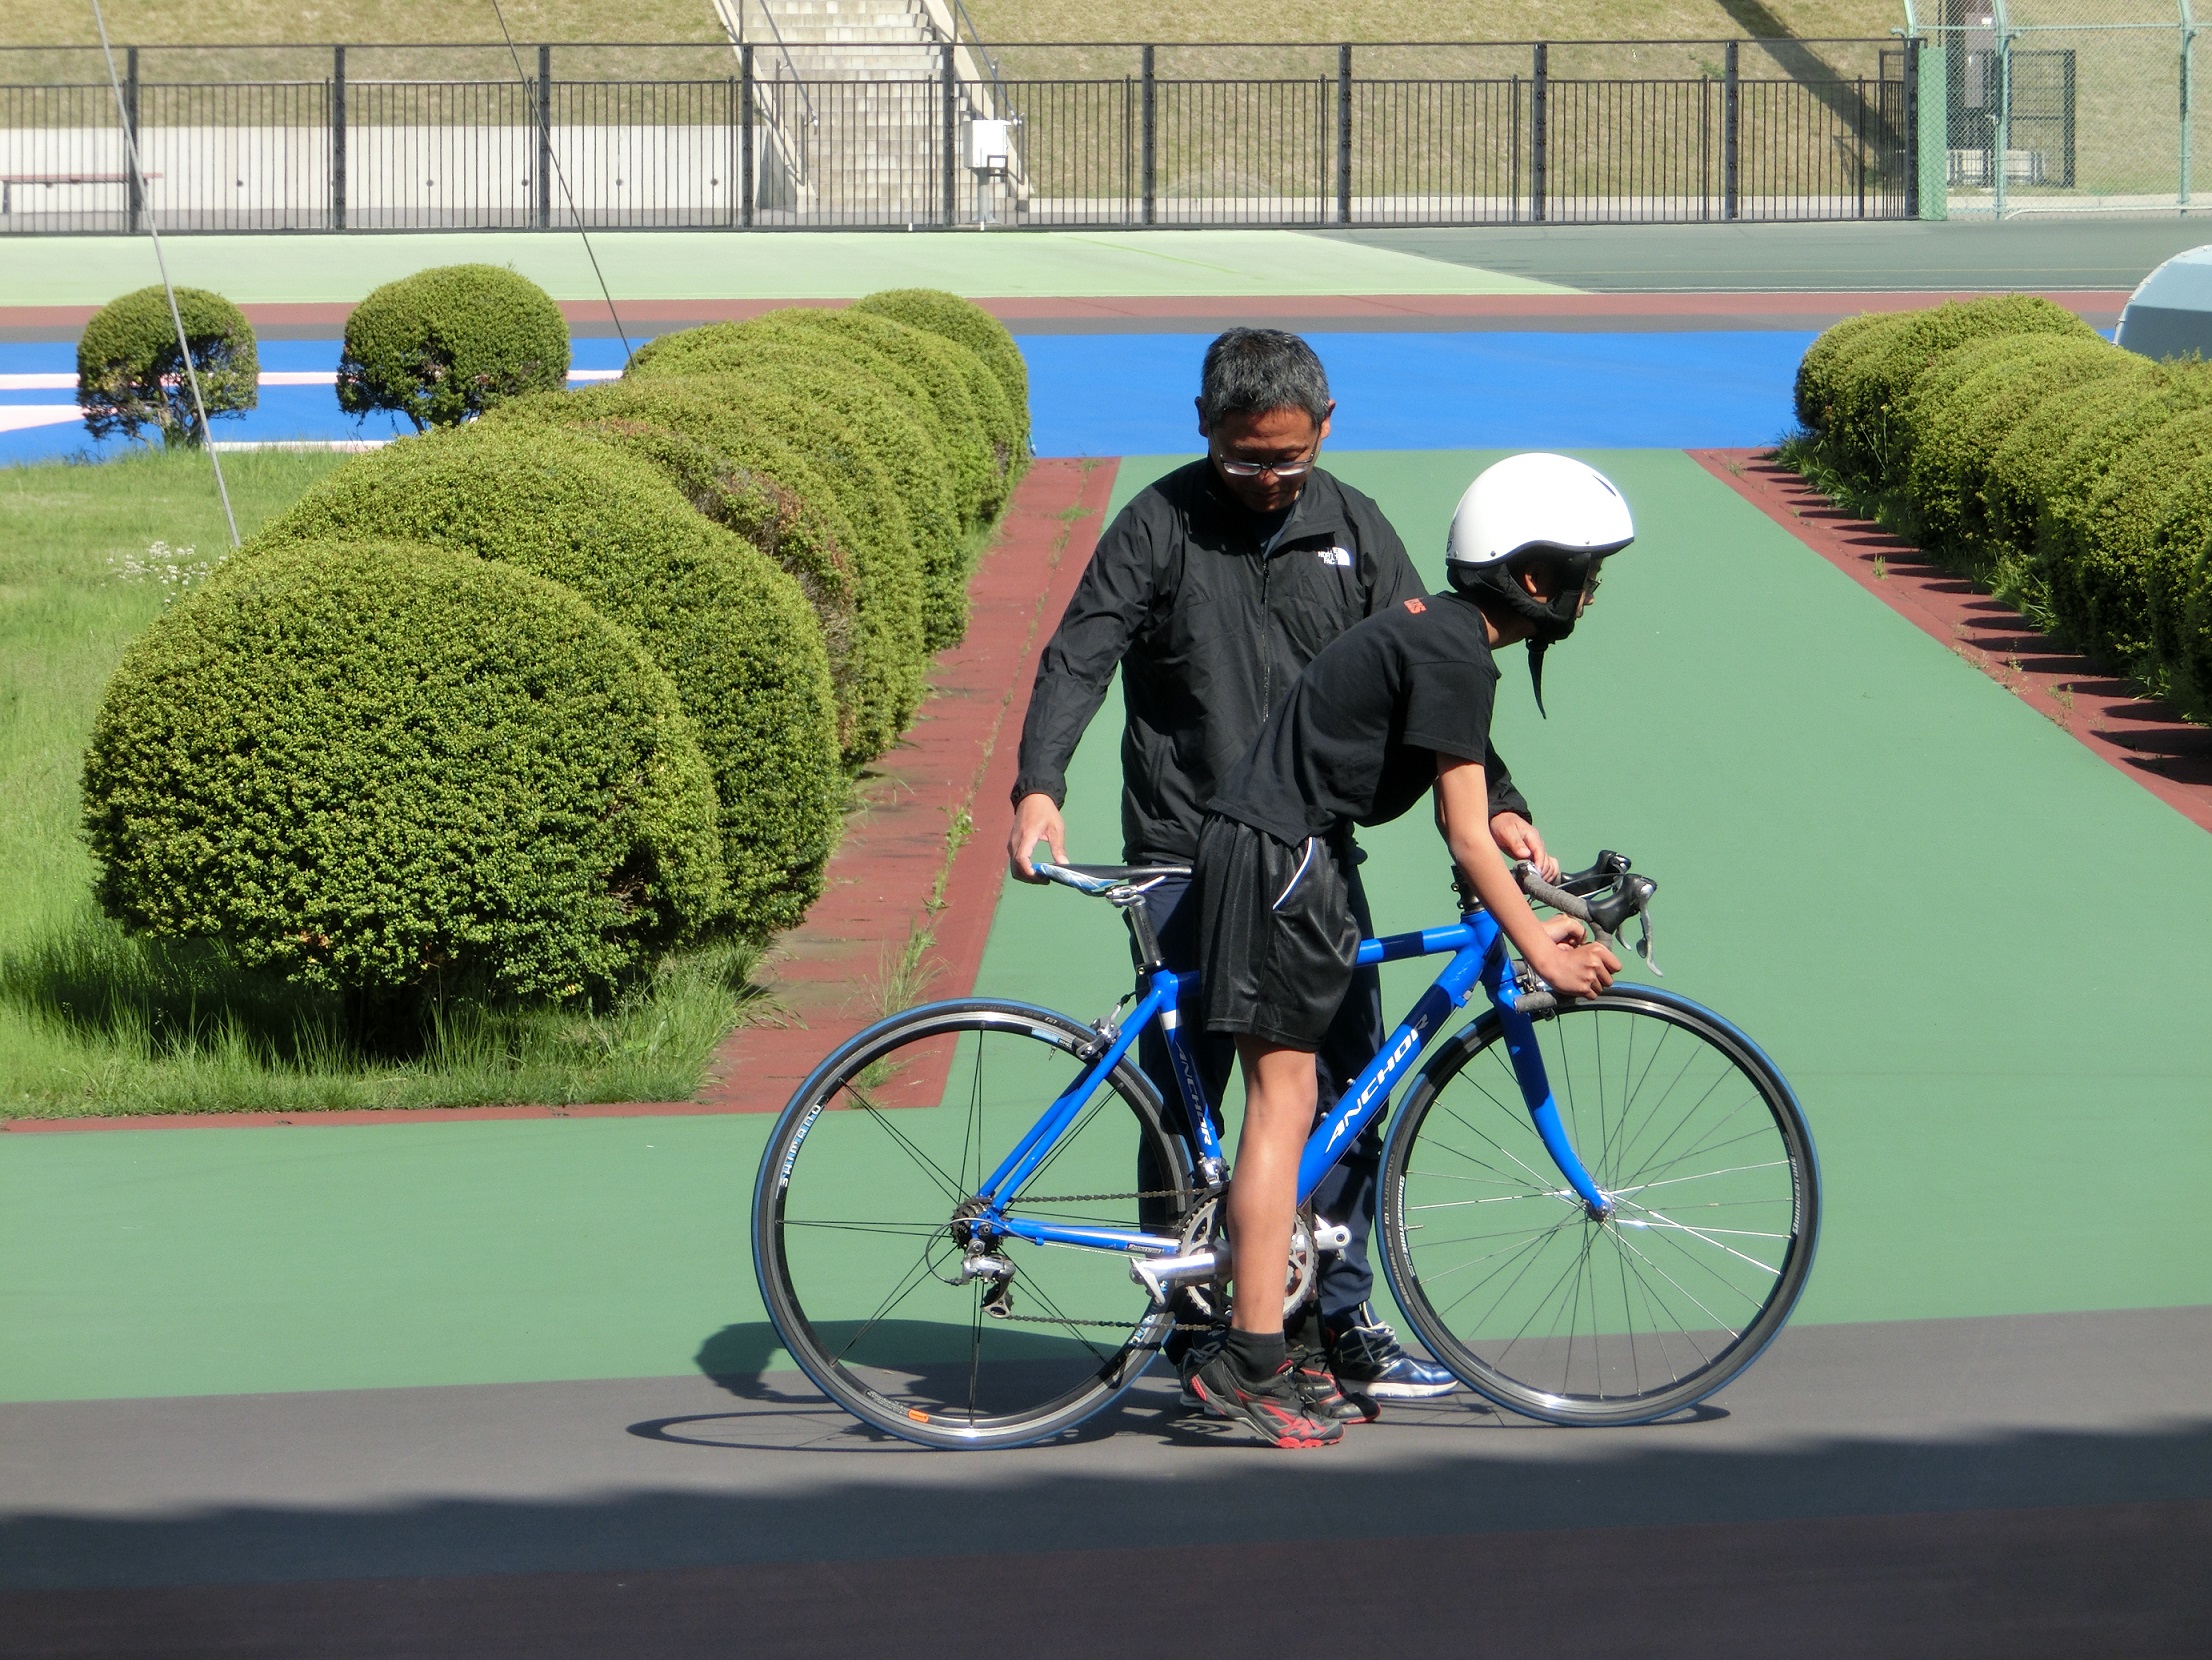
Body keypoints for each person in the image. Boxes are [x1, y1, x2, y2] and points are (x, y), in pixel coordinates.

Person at [1007, 328, 1551, 1417]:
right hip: (1180, 845)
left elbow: (1436, 667)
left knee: (1353, 1079)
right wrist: (1038, 781)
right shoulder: (1158, 523)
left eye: (1287, 460)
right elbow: (1080, 651)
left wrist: (1498, 796)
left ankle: (1336, 1314)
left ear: (1327, 428)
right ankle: (1200, 1320)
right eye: (1245, 458)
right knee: (1191, 1095)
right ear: (1203, 427)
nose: (1266, 482)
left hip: (1308, 854)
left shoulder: (1350, 524)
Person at [1182, 452, 1635, 1449]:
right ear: (1529, 576)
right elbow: (1464, 834)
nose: (1590, 591)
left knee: (1306, 1103)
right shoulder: (1455, 653)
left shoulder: (1441, 637)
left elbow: (1469, 812)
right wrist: (1543, 953)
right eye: (1583, 570)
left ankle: (1277, 1340)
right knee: (1283, 1104)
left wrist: (1515, 867)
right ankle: (1245, 1360)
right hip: (1278, 860)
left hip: (1293, 854)